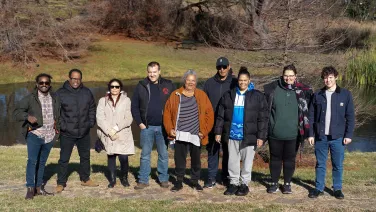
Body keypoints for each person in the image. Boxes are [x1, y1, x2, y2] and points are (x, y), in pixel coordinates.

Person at [214, 67, 268, 196]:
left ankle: (244, 184)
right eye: (240, 80)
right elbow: (221, 116)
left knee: (247, 161)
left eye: (245, 80)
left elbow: (263, 118)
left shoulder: (257, 96)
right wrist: (218, 132)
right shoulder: (229, 95)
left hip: (249, 135)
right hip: (232, 134)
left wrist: (261, 136)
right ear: (237, 81)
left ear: (249, 80)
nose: (242, 82)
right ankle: (233, 183)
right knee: (232, 160)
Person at [263, 64, 312, 194]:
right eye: (286, 75)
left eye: (291, 76)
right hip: (275, 133)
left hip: (293, 134)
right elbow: (266, 111)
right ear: (282, 75)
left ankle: (287, 184)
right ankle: (273, 183)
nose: (288, 78)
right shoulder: (273, 89)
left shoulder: (302, 92)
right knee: (275, 159)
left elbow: (307, 112)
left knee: (290, 160)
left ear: (295, 76)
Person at [308, 66, 355, 199]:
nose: (327, 80)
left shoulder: (345, 94)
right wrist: (310, 134)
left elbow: (350, 116)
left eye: (330, 77)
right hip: (320, 136)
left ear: (336, 77)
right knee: (320, 163)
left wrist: (348, 135)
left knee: (337, 164)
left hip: (338, 137)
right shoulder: (317, 94)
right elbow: (311, 116)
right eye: (325, 78)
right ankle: (319, 188)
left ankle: (337, 188)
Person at [163, 69, 214, 192]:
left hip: (195, 134)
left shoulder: (202, 95)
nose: (191, 83)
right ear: (184, 81)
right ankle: (179, 181)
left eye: (193, 80)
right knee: (179, 158)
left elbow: (209, 114)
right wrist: (170, 129)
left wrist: (205, 131)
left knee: (196, 160)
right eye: (188, 80)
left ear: (196, 82)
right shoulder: (176, 94)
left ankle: (194, 181)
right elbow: (167, 113)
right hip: (180, 133)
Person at [13, 73, 60, 199]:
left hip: (50, 136)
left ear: (50, 84)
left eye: (46, 83)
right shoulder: (30, 98)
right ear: (37, 84)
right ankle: (30, 188)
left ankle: (38, 188)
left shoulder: (55, 98)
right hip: (35, 134)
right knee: (32, 161)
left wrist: (58, 130)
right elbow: (16, 112)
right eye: (41, 83)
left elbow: (59, 114)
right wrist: (27, 117)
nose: (44, 85)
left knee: (42, 162)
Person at [131, 61, 175, 189]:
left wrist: (171, 125)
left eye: (154, 72)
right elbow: (134, 106)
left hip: (163, 127)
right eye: (150, 72)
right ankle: (143, 179)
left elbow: (174, 105)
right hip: (147, 127)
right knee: (145, 155)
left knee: (163, 154)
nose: (152, 75)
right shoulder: (141, 86)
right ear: (147, 72)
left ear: (159, 72)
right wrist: (140, 123)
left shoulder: (168, 85)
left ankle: (163, 178)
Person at [56, 69, 98, 193]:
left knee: (85, 157)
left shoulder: (86, 92)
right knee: (64, 159)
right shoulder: (60, 93)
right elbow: (56, 113)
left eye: (78, 79)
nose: (76, 81)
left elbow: (92, 108)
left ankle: (85, 179)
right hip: (67, 133)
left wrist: (90, 123)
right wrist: (63, 126)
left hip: (84, 132)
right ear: (69, 79)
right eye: (74, 78)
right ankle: (61, 182)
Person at [203, 57, 237, 188]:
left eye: (224, 67)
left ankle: (226, 177)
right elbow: (204, 105)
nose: (222, 69)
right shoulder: (209, 83)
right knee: (212, 150)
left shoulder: (234, 83)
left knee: (229, 151)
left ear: (229, 67)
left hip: (229, 122)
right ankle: (211, 177)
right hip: (212, 122)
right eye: (219, 67)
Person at [96, 79, 134, 188]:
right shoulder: (102, 101)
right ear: (109, 87)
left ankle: (124, 178)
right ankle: (112, 180)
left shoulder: (126, 100)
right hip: (108, 134)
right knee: (111, 156)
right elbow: (100, 118)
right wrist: (109, 131)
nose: (114, 89)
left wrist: (116, 128)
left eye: (117, 87)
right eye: (112, 86)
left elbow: (128, 118)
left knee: (123, 157)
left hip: (122, 133)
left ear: (120, 88)